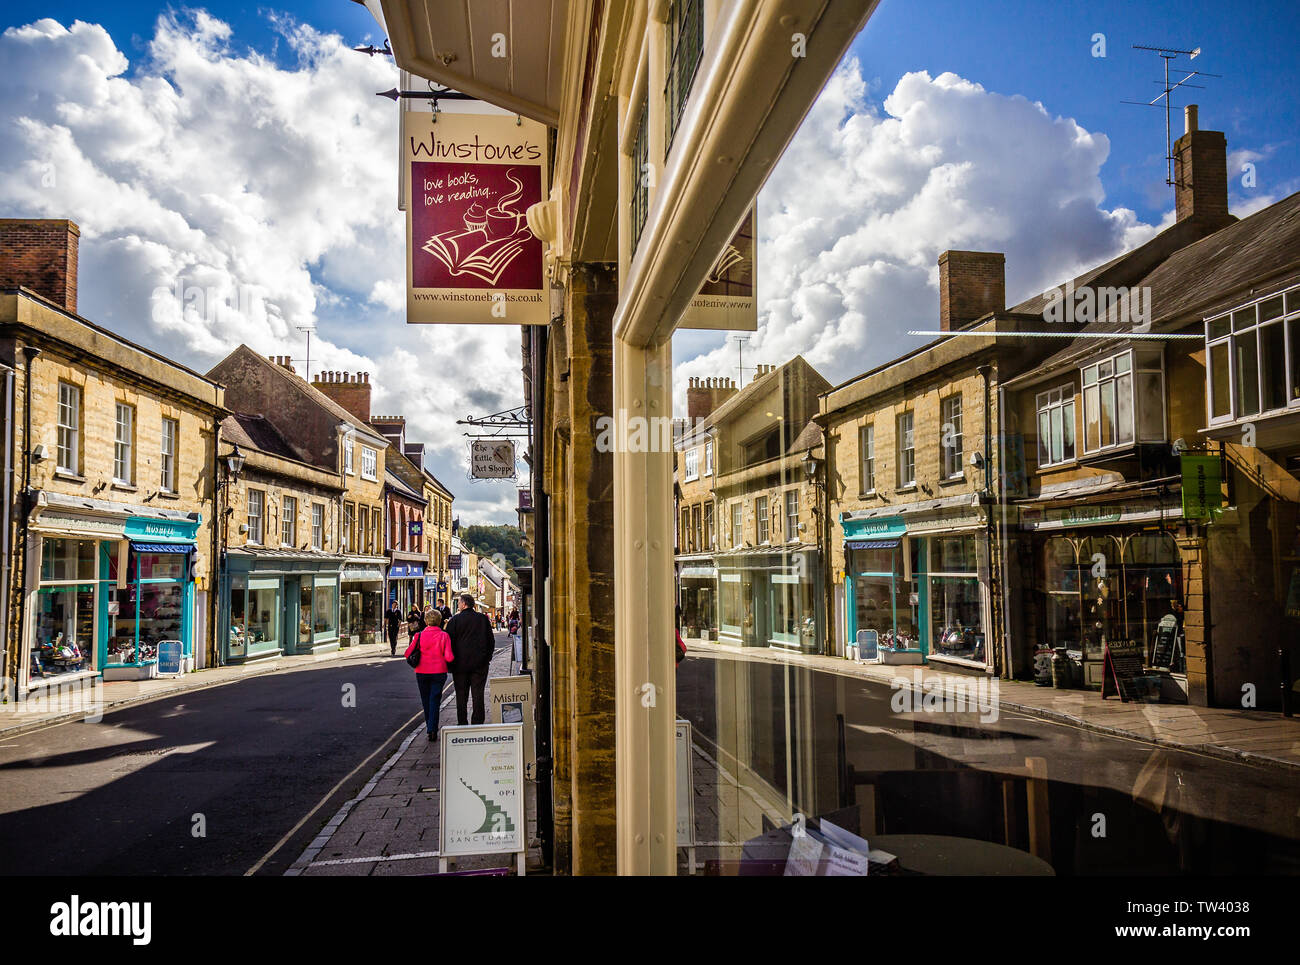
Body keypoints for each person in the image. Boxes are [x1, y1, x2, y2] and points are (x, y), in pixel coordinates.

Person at [445, 593, 496, 725]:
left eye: (460, 603)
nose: (459, 605)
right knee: (478, 694)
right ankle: (478, 721)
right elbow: (490, 641)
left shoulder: (455, 620)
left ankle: (462, 722)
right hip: (480, 665)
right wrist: (487, 658)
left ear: (464, 604)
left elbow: (448, 643)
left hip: (459, 665)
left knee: (461, 695)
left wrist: (451, 662)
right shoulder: (482, 619)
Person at [405, 607, 455, 741]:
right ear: (439, 621)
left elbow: (407, 653)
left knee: (426, 700)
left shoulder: (419, 635)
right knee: (435, 700)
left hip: (422, 672)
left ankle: (430, 728)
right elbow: (449, 657)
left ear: (426, 621)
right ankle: (432, 728)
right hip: (439, 672)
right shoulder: (444, 635)